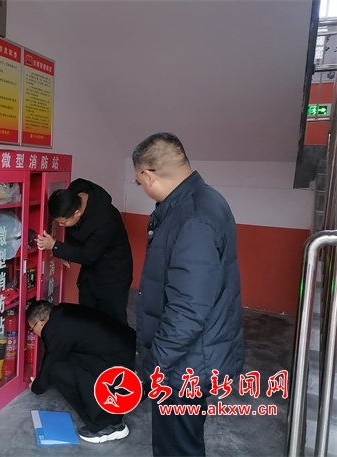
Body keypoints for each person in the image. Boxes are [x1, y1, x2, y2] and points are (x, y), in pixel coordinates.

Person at [131, 132, 244, 456]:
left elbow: (187, 311)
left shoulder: (192, 218)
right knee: (183, 440)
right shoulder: (205, 200)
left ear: (148, 175)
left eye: (138, 181)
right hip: (194, 357)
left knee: (176, 447)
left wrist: (153, 368)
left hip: (186, 365)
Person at [27, 300, 136, 444]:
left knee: (57, 371)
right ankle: (110, 415)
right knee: (68, 361)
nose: (34, 333)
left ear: (41, 323)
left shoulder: (56, 329)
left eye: (32, 328)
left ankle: (107, 425)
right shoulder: (64, 311)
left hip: (123, 363)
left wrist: (36, 387)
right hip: (130, 349)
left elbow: (50, 362)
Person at [36, 178, 133, 325]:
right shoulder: (75, 192)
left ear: (77, 212)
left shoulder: (106, 220)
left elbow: (88, 256)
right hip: (90, 271)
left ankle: (121, 340)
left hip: (113, 271)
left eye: (63, 222)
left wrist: (55, 246)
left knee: (113, 319)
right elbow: (74, 230)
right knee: (87, 313)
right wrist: (67, 248)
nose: (61, 226)